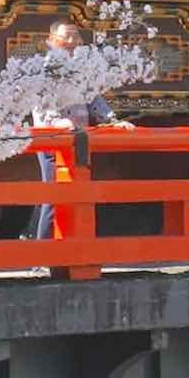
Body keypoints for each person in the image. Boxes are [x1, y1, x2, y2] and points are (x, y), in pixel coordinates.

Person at [31, 20, 131, 240]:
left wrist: (112, 120)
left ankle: (72, 247)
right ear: (51, 41)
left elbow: (93, 99)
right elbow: (42, 103)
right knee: (55, 195)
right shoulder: (44, 68)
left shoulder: (81, 68)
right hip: (53, 138)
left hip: (79, 139)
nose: (71, 42)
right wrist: (57, 121)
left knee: (78, 195)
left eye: (75, 36)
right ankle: (44, 252)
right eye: (65, 36)